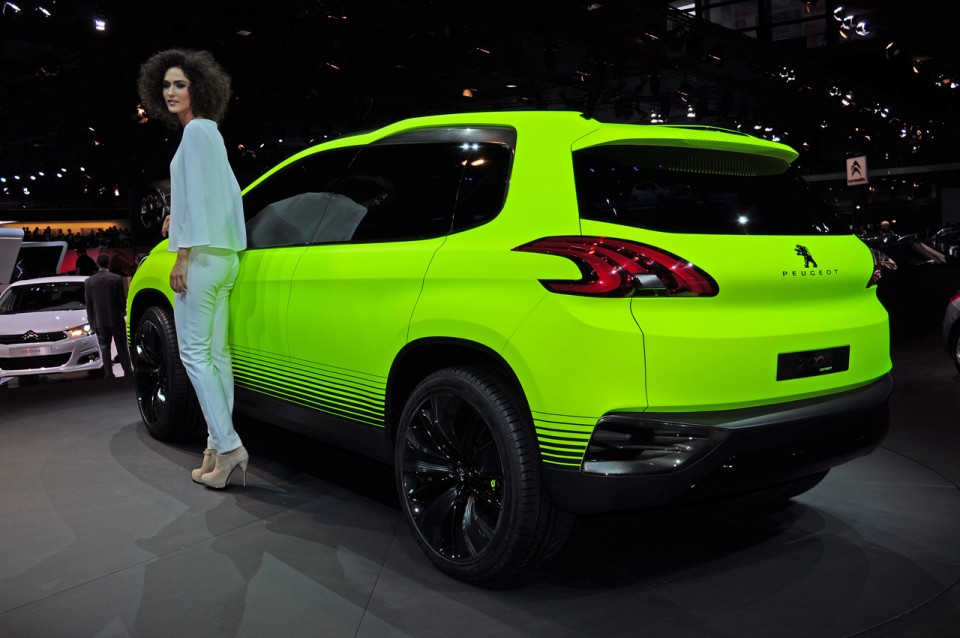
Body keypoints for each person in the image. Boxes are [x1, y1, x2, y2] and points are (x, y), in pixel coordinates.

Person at [138, 48, 248, 489]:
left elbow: (201, 199)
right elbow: (222, 196)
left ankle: (228, 446)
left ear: (198, 88)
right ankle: (215, 449)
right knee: (217, 356)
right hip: (224, 256)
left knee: (194, 356)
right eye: (165, 85)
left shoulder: (197, 133)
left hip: (201, 259)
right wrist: (175, 218)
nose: (170, 92)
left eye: (179, 84)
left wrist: (182, 253)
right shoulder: (208, 133)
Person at [84, 253, 134, 378]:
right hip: (116, 319)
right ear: (109, 264)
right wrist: (123, 312)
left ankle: (108, 374)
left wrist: (92, 323)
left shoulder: (89, 281)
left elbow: (89, 304)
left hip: (99, 321)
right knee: (122, 347)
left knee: (104, 349)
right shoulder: (117, 279)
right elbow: (122, 300)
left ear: (97, 264)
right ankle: (128, 372)